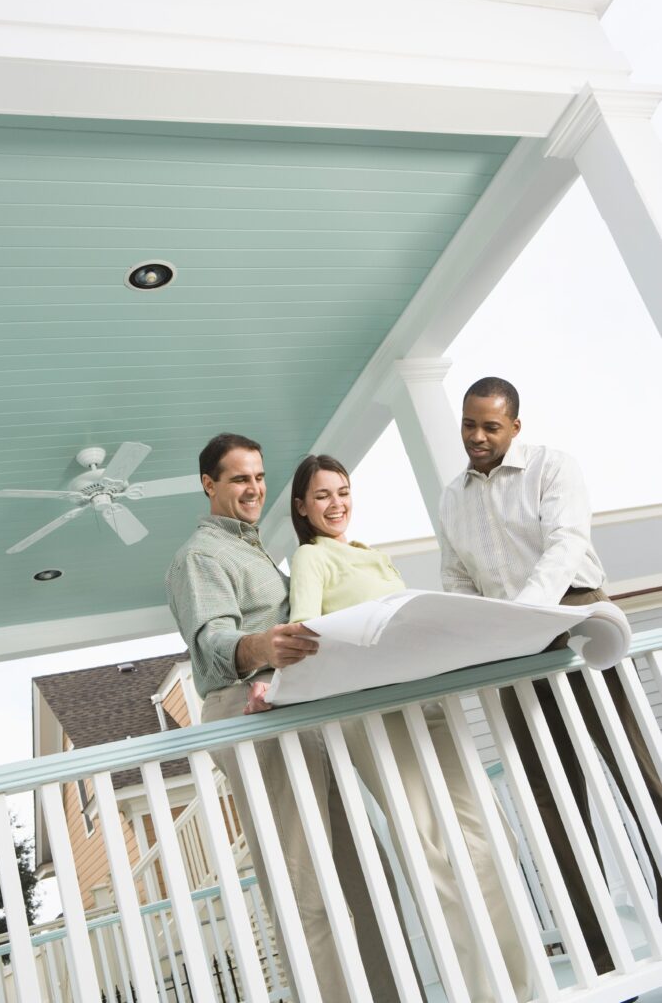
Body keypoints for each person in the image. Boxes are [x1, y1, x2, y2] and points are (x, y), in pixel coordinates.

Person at [248, 453, 531, 1003]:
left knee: (491, 837)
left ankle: (521, 985)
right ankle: (485, 993)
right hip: (375, 719)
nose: (336, 504)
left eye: (344, 491)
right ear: (302, 507)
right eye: (323, 495)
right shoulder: (310, 558)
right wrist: (269, 681)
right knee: (433, 851)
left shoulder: (374, 556)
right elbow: (306, 635)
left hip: (429, 705)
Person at [439, 375, 662, 988]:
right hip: (512, 644)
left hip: (575, 614)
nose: (478, 436)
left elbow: (566, 544)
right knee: (546, 793)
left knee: (633, 765)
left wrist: (529, 615)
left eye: (490, 425)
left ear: (515, 425)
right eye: (468, 424)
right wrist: (484, 629)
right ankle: (598, 948)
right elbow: (455, 574)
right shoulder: (451, 497)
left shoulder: (553, 468)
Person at [166, 433, 402, 1003]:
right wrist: (263, 648)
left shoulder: (258, 553)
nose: (254, 488)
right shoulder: (201, 556)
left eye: (259, 476)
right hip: (248, 714)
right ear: (209, 485)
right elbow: (215, 643)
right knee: (306, 888)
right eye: (239, 478)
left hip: (296, 708)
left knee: (366, 871)